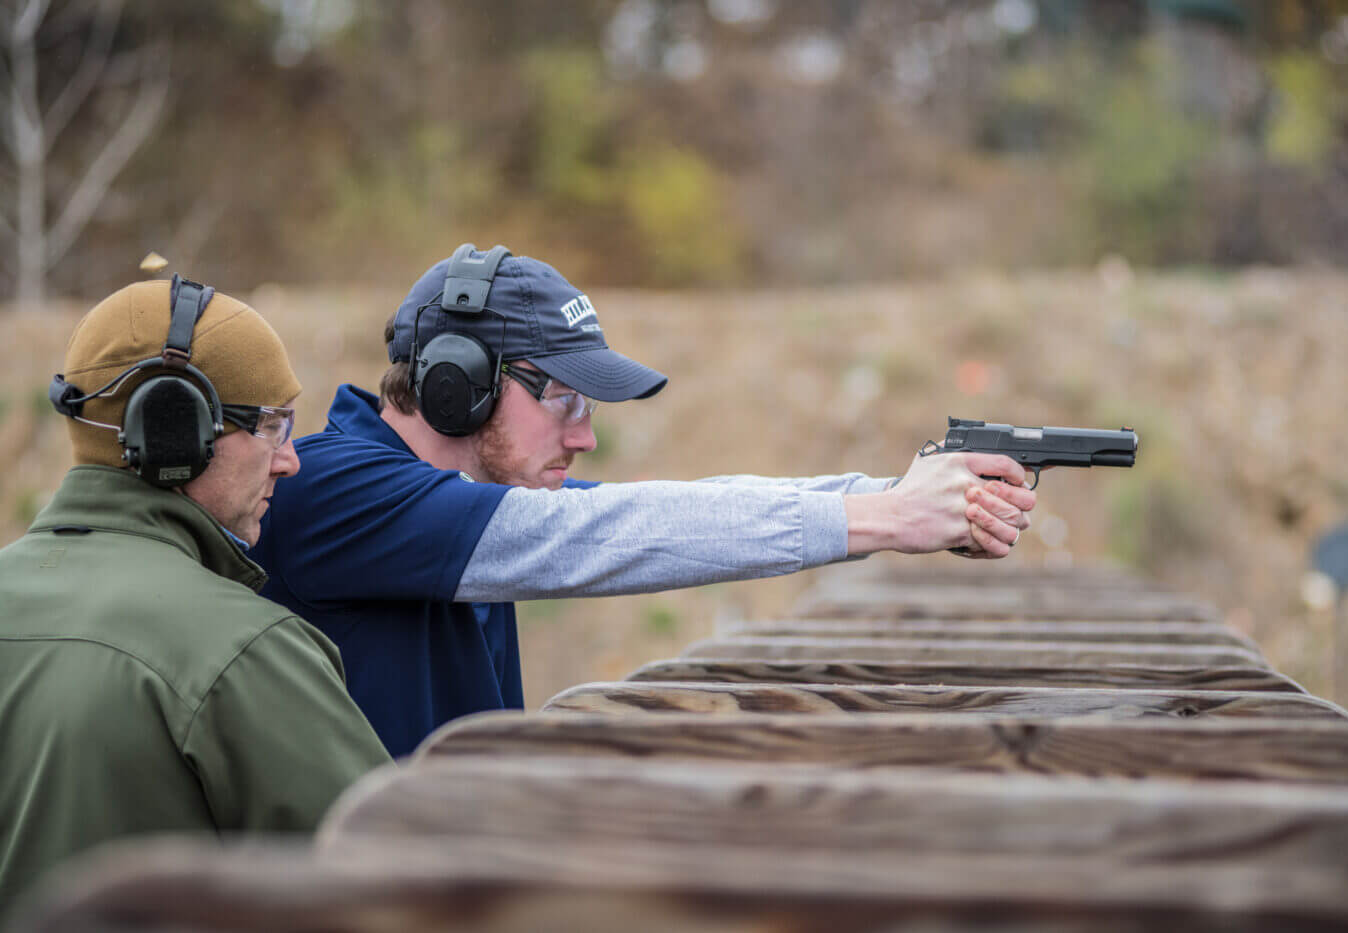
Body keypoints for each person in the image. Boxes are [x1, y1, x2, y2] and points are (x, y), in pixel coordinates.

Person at [250, 244, 1036, 757]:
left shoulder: (478, 503)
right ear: (457, 384)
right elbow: (607, 533)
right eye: (564, 399)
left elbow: (680, 507)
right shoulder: (330, 488)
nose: (584, 436)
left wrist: (892, 497)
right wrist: (886, 519)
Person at [0, 278, 391, 914]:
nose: (290, 459)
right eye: (271, 425)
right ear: (174, 433)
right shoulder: (242, 652)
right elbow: (394, 892)